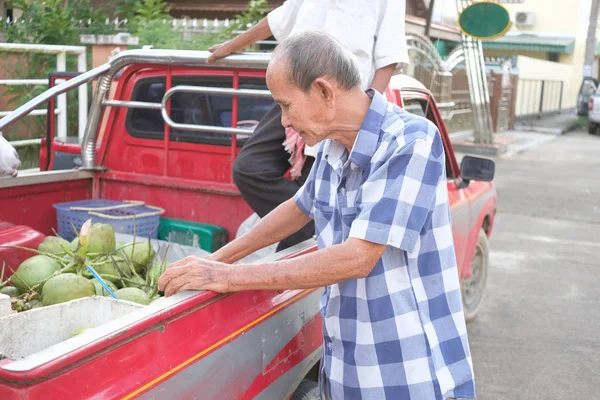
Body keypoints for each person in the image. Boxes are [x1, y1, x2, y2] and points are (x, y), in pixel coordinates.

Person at [159, 31, 475, 400]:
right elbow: (299, 208)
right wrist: (215, 260)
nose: (283, 122)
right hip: (346, 362)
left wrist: (228, 277)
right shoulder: (332, 146)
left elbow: (358, 257)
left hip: (407, 368)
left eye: (286, 105)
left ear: (325, 92)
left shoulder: (410, 142)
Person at [208, 0, 409, 251]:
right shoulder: (289, 111)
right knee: (249, 168)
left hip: (339, 102)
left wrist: (365, 119)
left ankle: (309, 242)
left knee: (315, 184)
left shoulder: (411, 140)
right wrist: (231, 45)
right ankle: (313, 233)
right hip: (295, 90)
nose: (285, 120)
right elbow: (280, 19)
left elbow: (388, 59)